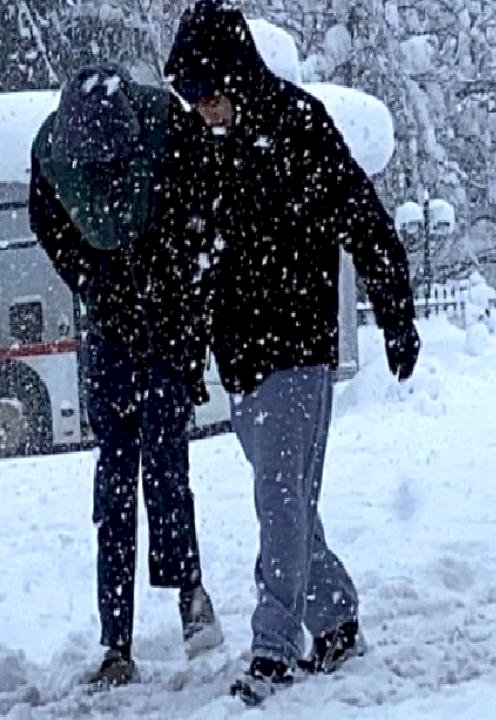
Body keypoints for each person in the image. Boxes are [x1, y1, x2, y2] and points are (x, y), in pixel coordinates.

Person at [163, 0, 421, 705]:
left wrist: (396, 313)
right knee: (292, 506)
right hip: (241, 359)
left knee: (278, 504)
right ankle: (334, 619)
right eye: (188, 97)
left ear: (233, 76)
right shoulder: (206, 148)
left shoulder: (299, 127)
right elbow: (197, 260)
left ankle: (274, 646)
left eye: (205, 93)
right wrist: (191, 356)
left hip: (298, 349)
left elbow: (364, 221)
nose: (200, 109)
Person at [27, 64, 224, 688]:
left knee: (166, 461)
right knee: (114, 481)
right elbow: (50, 226)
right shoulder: (53, 154)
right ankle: (117, 639)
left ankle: (189, 591)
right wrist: (93, 280)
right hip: (113, 327)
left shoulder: (173, 131)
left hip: (167, 321)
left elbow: (207, 212)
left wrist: (180, 292)